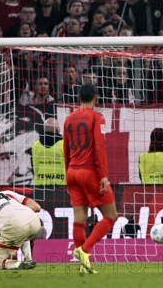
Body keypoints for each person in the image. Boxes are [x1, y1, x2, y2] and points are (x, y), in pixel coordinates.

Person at [64, 84, 118, 274]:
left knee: (80, 218)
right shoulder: (97, 117)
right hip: (90, 173)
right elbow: (99, 148)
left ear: (79, 98)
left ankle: (83, 266)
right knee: (111, 216)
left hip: (72, 171)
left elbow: (66, 149)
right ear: (95, 97)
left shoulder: (69, 119)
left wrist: (67, 174)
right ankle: (83, 251)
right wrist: (104, 175)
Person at [0, 184, 45, 270]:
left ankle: (18, 264)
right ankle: (28, 258)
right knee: (22, 226)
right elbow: (37, 207)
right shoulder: (6, 193)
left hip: (15, 228)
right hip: (35, 222)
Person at [32, 118, 65, 185]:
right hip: (60, 184)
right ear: (58, 129)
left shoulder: (35, 145)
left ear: (44, 129)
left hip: (40, 184)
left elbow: (34, 165)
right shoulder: (64, 144)